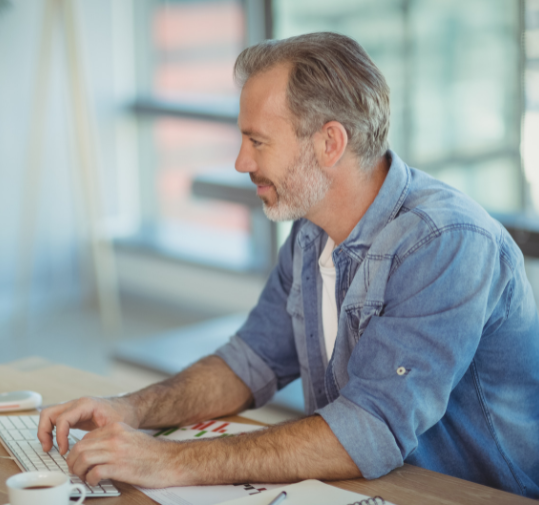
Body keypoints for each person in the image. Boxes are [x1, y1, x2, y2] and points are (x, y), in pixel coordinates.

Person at [37, 32, 539, 498]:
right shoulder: (311, 229)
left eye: (257, 141)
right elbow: (247, 363)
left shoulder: (445, 243)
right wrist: (129, 409)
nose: (240, 161)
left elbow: (369, 430)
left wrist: (170, 460)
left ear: (329, 143)